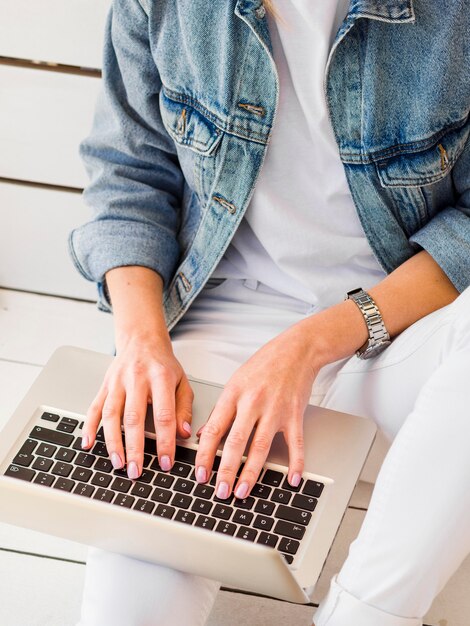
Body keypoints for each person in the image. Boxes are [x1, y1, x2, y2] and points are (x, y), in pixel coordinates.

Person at [69, 0, 470, 624]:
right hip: (218, 341)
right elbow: (130, 177)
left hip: (399, 333)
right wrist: (142, 341)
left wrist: (308, 344)